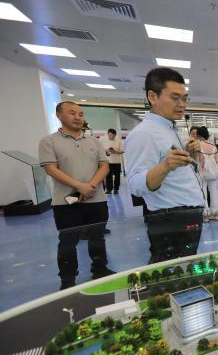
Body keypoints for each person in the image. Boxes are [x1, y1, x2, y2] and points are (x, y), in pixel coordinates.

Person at [125, 67, 205, 263]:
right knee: (171, 272)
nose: (182, 104)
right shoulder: (144, 133)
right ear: (152, 96)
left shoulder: (169, 128)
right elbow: (135, 186)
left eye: (184, 99)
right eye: (175, 98)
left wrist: (190, 156)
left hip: (186, 214)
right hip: (170, 219)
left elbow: (175, 170)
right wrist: (165, 166)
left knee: (184, 268)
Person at [39, 101, 114, 289]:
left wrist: (91, 186)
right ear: (59, 115)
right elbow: (51, 168)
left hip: (96, 200)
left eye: (81, 114)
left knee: (97, 237)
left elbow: (104, 166)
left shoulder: (94, 141)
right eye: (72, 113)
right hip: (65, 203)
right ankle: (68, 279)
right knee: (67, 241)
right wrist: (79, 186)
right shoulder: (49, 141)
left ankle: (100, 269)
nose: (78, 117)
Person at [196, 126, 218, 221]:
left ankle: (205, 214)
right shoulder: (213, 146)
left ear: (198, 135)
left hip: (202, 171)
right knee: (214, 191)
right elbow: (216, 161)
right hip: (213, 172)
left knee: (203, 192)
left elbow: (198, 160)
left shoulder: (198, 145)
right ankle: (216, 214)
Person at [100, 128, 124, 194]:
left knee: (117, 176)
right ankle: (109, 190)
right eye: (110, 135)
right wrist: (106, 150)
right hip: (107, 161)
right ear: (107, 134)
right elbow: (99, 149)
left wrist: (115, 151)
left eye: (113, 136)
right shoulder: (102, 139)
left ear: (115, 135)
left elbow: (122, 151)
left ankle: (116, 189)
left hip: (117, 162)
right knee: (108, 176)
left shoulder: (118, 140)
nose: (111, 137)